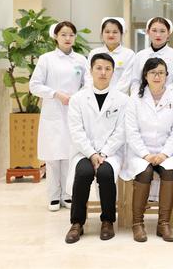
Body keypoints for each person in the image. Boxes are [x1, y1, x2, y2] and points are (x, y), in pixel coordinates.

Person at [64, 53, 129, 243]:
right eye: (98, 68)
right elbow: (76, 131)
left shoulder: (122, 100)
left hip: (111, 152)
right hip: (84, 152)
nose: (103, 72)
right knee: (83, 173)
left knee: (106, 173)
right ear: (91, 71)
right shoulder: (78, 99)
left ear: (113, 72)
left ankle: (107, 221)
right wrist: (92, 154)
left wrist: (104, 153)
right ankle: (77, 223)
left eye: (108, 69)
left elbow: (122, 131)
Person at [121, 57, 173, 242]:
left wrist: (164, 154)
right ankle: (137, 223)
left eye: (161, 73)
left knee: (169, 171)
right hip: (140, 152)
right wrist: (146, 154)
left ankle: (163, 224)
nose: (157, 76)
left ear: (166, 76)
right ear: (145, 76)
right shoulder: (134, 100)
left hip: (166, 152)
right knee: (145, 172)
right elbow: (131, 132)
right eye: (153, 72)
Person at [29, 21, 86, 212]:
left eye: (71, 35)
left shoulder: (81, 60)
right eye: (63, 34)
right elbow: (34, 85)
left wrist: (77, 97)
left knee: (70, 155)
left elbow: (87, 84)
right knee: (53, 156)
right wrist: (55, 94)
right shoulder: (46, 59)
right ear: (55, 36)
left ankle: (67, 195)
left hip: (74, 111)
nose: (68, 38)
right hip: (53, 110)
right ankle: (53, 196)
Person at [130, 17, 173, 95]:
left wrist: (161, 94)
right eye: (154, 30)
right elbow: (135, 81)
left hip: (168, 98)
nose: (158, 35)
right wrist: (140, 96)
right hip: (142, 98)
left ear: (168, 33)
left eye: (162, 31)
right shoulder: (140, 55)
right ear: (148, 32)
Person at [85, 17, 135, 94]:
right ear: (102, 34)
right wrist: (94, 94)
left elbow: (125, 81)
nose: (111, 35)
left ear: (121, 34)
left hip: (119, 97)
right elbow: (88, 77)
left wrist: (110, 96)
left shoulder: (129, 54)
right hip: (94, 96)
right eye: (107, 32)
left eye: (115, 32)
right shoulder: (94, 53)